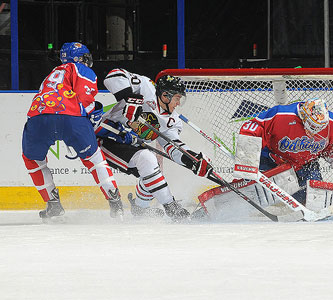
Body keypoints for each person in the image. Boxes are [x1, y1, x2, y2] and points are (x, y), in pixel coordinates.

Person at [22, 42, 124, 222]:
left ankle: (53, 204)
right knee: (94, 159)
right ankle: (115, 201)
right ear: (79, 59)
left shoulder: (51, 75)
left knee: (33, 160)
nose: (87, 62)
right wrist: (93, 113)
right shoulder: (79, 69)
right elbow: (85, 100)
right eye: (85, 58)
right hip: (70, 116)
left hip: (38, 117)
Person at [95, 69, 213, 221]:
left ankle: (140, 208)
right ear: (165, 96)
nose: (178, 104)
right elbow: (113, 76)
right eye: (177, 99)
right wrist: (130, 98)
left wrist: (192, 160)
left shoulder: (173, 122)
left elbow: (173, 147)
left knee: (152, 168)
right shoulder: (146, 87)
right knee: (148, 160)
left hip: (129, 143)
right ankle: (172, 208)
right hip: (106, 137)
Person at [235, 98, 333, 208]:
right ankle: (240, 194)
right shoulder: (281, 115)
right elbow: (252, 128)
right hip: (273, 160)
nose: (315, 131)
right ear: (303, 115)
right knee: (255, 194)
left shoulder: (331, 123)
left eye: (319, 127)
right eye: (313, 126)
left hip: (305, 165)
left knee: (314, 197)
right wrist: (247, 160)